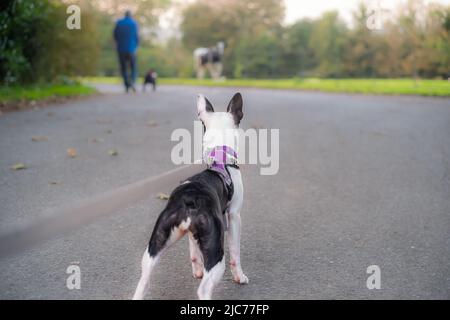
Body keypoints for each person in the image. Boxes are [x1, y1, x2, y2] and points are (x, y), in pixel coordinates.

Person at [113, 10, 139, 93]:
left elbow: (115, 35)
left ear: (124, 15)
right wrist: (136, 46)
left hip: (121, 49)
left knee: (124, 68)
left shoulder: (119, 23)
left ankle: (126, 86)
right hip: (131, 49)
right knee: (133, 67)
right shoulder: (134, 23)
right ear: (130, 15)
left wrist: (118, 43)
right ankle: (133, 82)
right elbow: (137, 36)